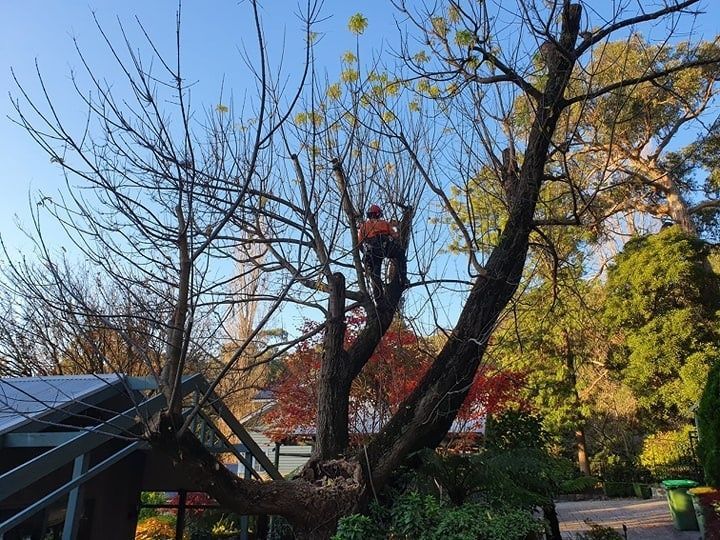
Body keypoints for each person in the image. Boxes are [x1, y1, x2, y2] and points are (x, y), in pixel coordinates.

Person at [357, 204, 408, 301]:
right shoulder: (384, 223)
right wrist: (397, 226)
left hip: (373, 251)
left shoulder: (364, 227)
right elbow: (396, 236)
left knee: (376, 276)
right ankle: (403, 277)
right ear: (378, 214)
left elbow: (359, 243)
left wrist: (365, 254)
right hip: (385, 248)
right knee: (400, 254)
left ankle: (378, 299)